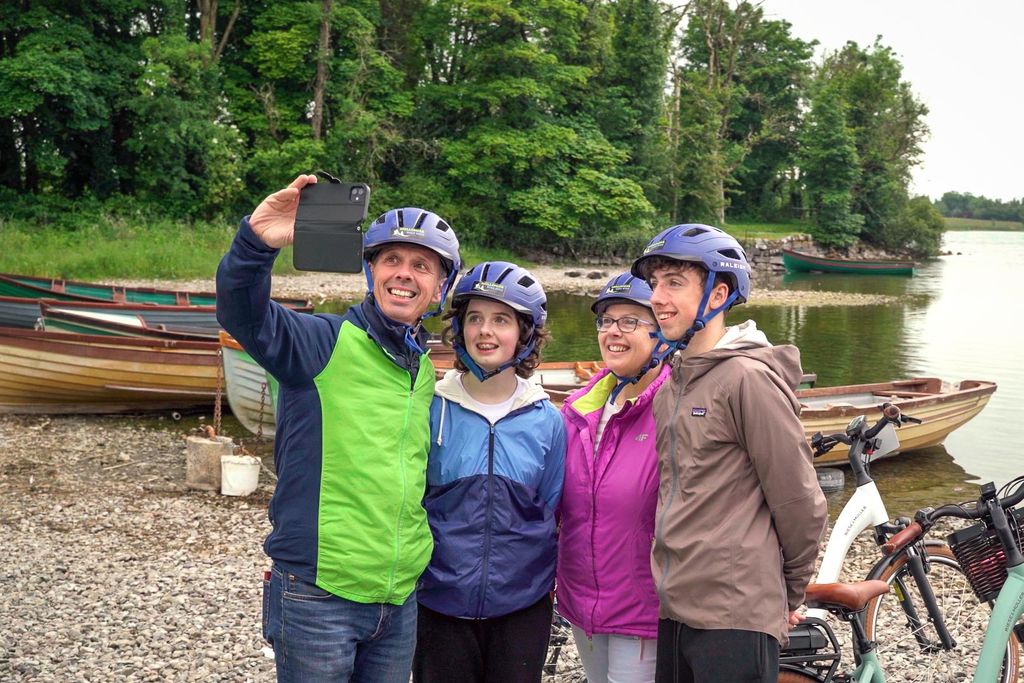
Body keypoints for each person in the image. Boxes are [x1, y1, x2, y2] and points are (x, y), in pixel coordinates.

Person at [215, 174, 461, 682]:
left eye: (422, 265)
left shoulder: (422, 370)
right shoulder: (320, 344)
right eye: (391, 260)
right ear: (370, 270)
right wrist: (256, 242)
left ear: (440, 287)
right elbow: (241, 310)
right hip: (316, 595)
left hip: (397, 598)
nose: (404, 275)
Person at [629, 224, 828, 683]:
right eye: (655, 283)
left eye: (674, 283)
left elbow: (799, 500)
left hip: (736, 612)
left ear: (718, 296)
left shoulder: (747, 379)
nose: (657, 297)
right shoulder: (672, 385)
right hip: (677, 606)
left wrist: (787, 593)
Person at [412, 261, 567, 683]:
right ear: (459, 329)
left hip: (522, 604)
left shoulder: (547, 419)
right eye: (474, 318)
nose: (485, 331)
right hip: (438, 600)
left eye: (501, 320)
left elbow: (549, 509)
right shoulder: (432, 407)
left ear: (525, 334)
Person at [557, 272, 671, 683]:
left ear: (662, 334)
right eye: (606, 321)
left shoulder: (674, 408)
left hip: (643, 609)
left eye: (630, 322)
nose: (613, 332)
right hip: (580, 602)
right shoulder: (579, 409)